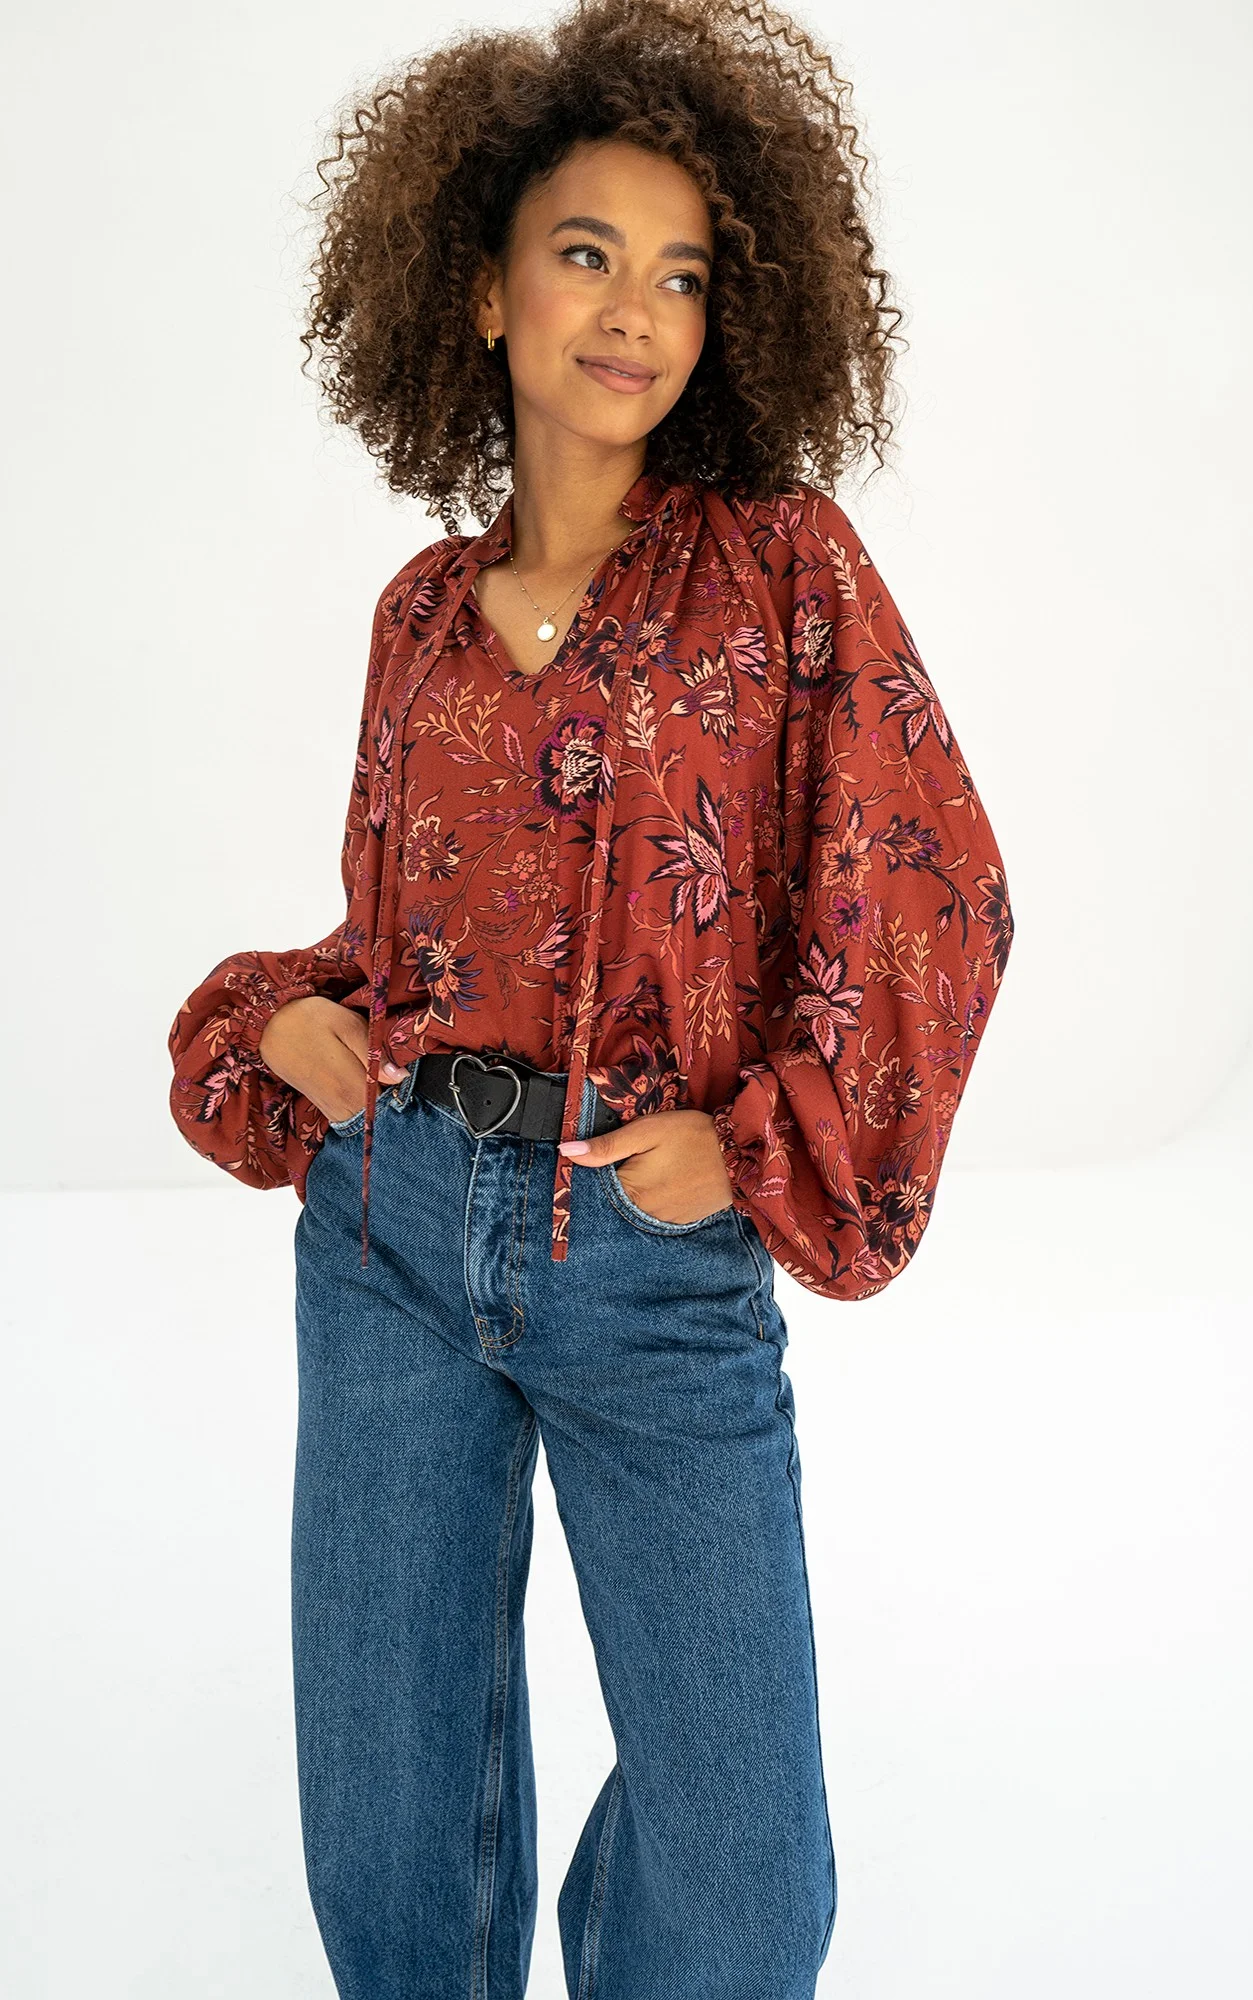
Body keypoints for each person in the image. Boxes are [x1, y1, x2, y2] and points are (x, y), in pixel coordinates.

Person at [167, 1, 1015, 1994]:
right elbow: (399, 939)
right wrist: (277, 1024)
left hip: (647, 1255)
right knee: (392, 1830)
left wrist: (763, 1146)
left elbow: (937, 889)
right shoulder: (420, 614)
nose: (636, 309)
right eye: (585, 252)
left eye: (683, 273)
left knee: (743, 1877)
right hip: (386, 1233)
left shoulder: (783, 571)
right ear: (479, 292)